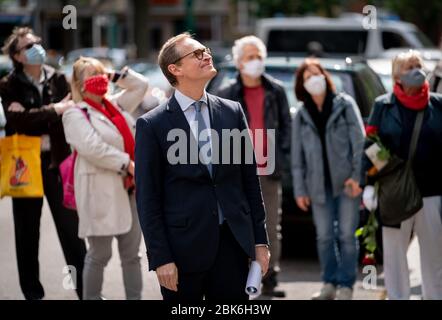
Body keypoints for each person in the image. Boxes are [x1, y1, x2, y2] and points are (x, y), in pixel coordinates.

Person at [135, 33, 270, 301]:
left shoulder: (232, 112)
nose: (207, 55)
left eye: (205, 50)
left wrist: (260, 240)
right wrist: (161, 258)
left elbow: (249, 181)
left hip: (233, 246)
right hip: (181, 251)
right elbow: (148, 199)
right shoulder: (152, 124)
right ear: (175, 69)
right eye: (196, 54)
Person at [0, 27, 86, 300]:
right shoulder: (8, 84)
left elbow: (67, 113)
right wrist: (54, 110)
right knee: (27, 235)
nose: (36, 47)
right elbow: (17, 122)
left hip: (57, 163)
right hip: (24, 166)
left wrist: (37, 115)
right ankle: (33, 294)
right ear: (17, 55)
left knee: (72, 234)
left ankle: (86, 291)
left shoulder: (59, 78)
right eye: (28, 45)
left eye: (37, 42)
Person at [62, 57, 148, 300]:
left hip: (129, 188)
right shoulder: (74, 114)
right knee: (99, 255)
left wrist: (110, 74)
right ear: (79, 84)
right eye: (92, 75)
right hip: (100, 191)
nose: (99, 78)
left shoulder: (116, 105)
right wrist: (127, 164)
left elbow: (140, 85)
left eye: (101, 73)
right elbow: (93, 148)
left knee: (132, 255)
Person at [361, 50, 442, 300]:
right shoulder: (383, 106)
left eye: (418, 65)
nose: (416, 71)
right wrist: (372, 184)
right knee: (395, 258)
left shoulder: (438, 104)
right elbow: (371, 145)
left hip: (431, 192)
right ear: (397, 75)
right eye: (409, 67)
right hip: (394, 192)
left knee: (434, 258)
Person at [216, 35, 290, 297]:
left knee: (270, 226)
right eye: (249, 57)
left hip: (268, 171)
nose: (255, 62)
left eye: (258, 56)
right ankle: (244, 278)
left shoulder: (276, 90)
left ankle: (268, 279)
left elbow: (286, 129)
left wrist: (281, 158)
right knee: (238, 226)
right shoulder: (226, 93)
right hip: (237, 172)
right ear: (238, 63)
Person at [291, 58, 365, 300]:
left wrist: (357, 177)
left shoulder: (344, 104)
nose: (314, 79)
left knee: (346, 235)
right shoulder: (301, 114)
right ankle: (329, 283)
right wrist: (300, 189)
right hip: (317, 186)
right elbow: (297, 156)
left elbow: (359, 142)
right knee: (324, 236)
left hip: (346, 184)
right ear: (302, 85)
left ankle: (346, 285)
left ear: (325, 76)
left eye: (317, 73)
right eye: (307, 76)